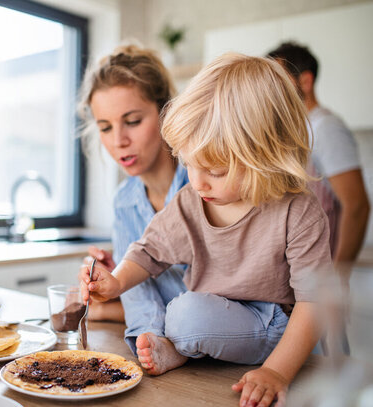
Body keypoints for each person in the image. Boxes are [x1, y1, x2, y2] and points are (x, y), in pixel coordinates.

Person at [80, 53, 334, 407]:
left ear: (265, 154)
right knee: (186, 314)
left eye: (214, 171)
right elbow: (148, 250)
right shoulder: (192, 198)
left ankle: (188, 348)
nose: (197, 182)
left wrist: (276, 371)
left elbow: (314, 302)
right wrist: (118, 281)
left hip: (274, 327)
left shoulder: (298, 211)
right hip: (215, 322)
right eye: (189, 164)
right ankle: (185, 350)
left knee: (185, 316)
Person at [77, 44, 189, 353]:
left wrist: (110, 308)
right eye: (105, 127)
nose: (118, 141)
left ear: (166, 112)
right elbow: (145, 302)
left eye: (133, 121)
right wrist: (114, 283)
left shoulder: (206, 183)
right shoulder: (124, 202)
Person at [267, 42, 370, 272]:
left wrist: (338, 277)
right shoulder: (297, 129)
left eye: (280, 81)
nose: (272, 90)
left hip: (319, 276)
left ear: (305, 81)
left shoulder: (326, 128)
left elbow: (357, 206)